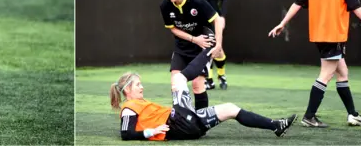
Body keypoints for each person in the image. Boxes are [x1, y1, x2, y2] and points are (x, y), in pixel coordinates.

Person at [269, 0, 361, 128]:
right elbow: (356, 6)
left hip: (319, 35)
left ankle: (353, 115)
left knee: (342, 73)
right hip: (333, 35)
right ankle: (309, 116)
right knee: (326, 75)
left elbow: (297, 3)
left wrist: (282, 23)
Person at [110, 48, 296, 141]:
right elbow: (126, 134)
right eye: (137, 85)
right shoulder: (128, 108)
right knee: (179, 79)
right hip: (178, 125)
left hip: (190, 126)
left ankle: (276, 125)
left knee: (230, 108)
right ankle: (210, 50)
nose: (141, 87)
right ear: (127, 90)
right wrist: (152, 132)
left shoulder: (141, 103)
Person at [160, 0, 225, 110]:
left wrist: (218, 45)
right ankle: (180, 119)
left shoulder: (197, 1)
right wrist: (194, 39)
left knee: (197, 84)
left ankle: (202, 121)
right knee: (175, 83)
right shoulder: (165, 5)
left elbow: (217, 20)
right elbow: (173, 29)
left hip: (202, 48)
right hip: (182, 47)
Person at [189, 0, 229, 90]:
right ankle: (209, 79)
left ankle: (221, 75)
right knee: (205, 47)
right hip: (198, 17)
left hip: (213, 17)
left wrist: (222, 16)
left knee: (218, 49)